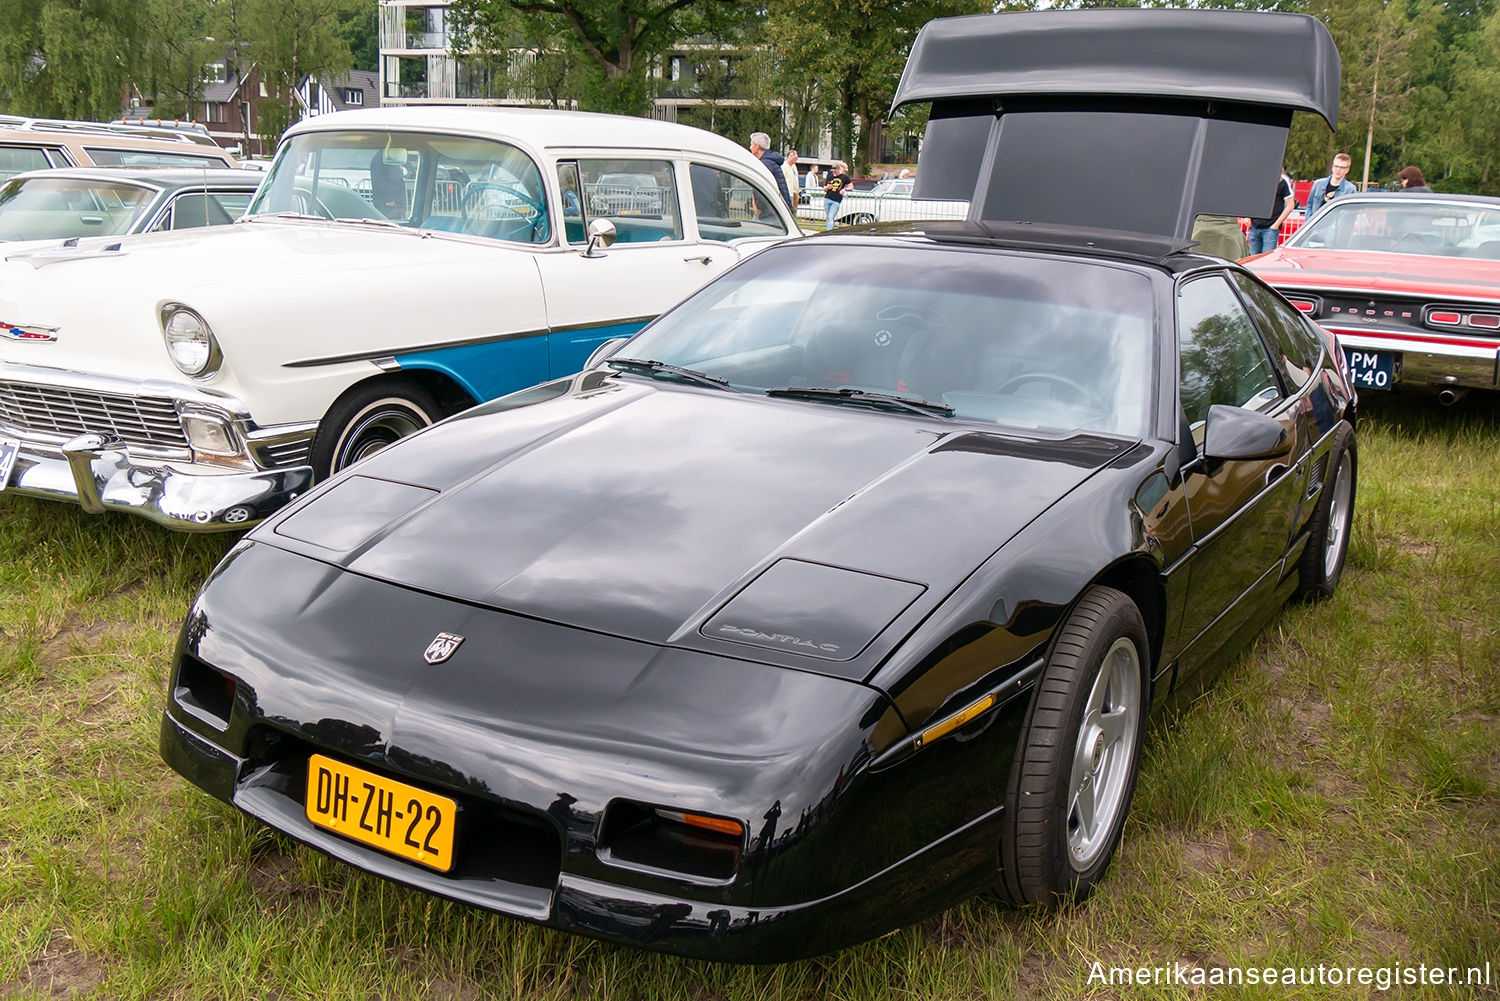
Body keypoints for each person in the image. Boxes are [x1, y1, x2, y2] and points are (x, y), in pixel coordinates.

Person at [1246, 169, 1295, 255]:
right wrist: (1247, 216)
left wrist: (1276, 225)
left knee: (1266, 258)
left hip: (1270, 227)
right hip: (1254, 226)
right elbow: (1250, 199)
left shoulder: (1282, 182)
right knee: (1253, 259)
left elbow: (1290, 205)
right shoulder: (1255, 181)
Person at [748, 131, 793, 212]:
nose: (750, 147)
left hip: (770, 211)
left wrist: (759, 207)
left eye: (751, 144)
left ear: (757, 147)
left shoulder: (764, 164)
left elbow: (761, 186)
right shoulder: (770, 162)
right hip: (776, 209)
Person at [823, 160, 850, 231]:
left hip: (836, 200)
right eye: (833, 170)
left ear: (839, 169)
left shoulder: (844, 177)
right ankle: (828, 230)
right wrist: (827, 188)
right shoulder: (830, 176)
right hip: (827, 198)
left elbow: (851, 186)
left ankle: (829, 231)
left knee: (831, 217)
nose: (834, 172)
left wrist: (845, 189)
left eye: (836, 170)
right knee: (828, 217)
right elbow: (825, 188)